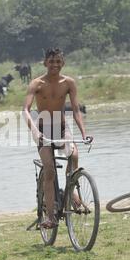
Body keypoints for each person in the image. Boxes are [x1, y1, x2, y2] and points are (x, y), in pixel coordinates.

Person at [23, 48, 93, 229]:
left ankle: (71, 195)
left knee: (74, 156)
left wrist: (84, 134)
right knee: (50, 169)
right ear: (45, 63)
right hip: (42, 129)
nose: (55, 65)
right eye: (51, 61)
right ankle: (51, 217)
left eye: (58, 61)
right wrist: (34, 131)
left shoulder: (69, 82)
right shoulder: (36, 83)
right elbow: (26, 110)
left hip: (61, 127)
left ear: (63, 63)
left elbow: (76, 110)